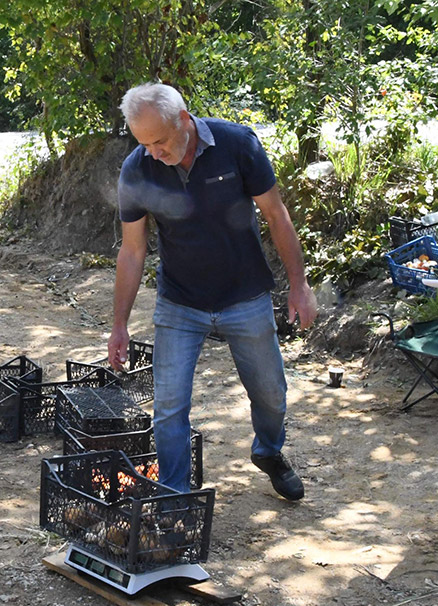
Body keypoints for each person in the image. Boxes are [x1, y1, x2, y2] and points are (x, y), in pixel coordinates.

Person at [110, 83, 318, 500]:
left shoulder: (237, 144)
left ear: (184, 121)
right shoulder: (138, 167)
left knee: (271, 393)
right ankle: (173, 496)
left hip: (245, 295)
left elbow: (277, 215)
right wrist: (119, 326)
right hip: (180, 302)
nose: (154, 152)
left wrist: (300, 285)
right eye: (144, 143)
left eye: (160, 141)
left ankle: (268, 451)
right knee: (169, 406)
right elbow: (132, 252)